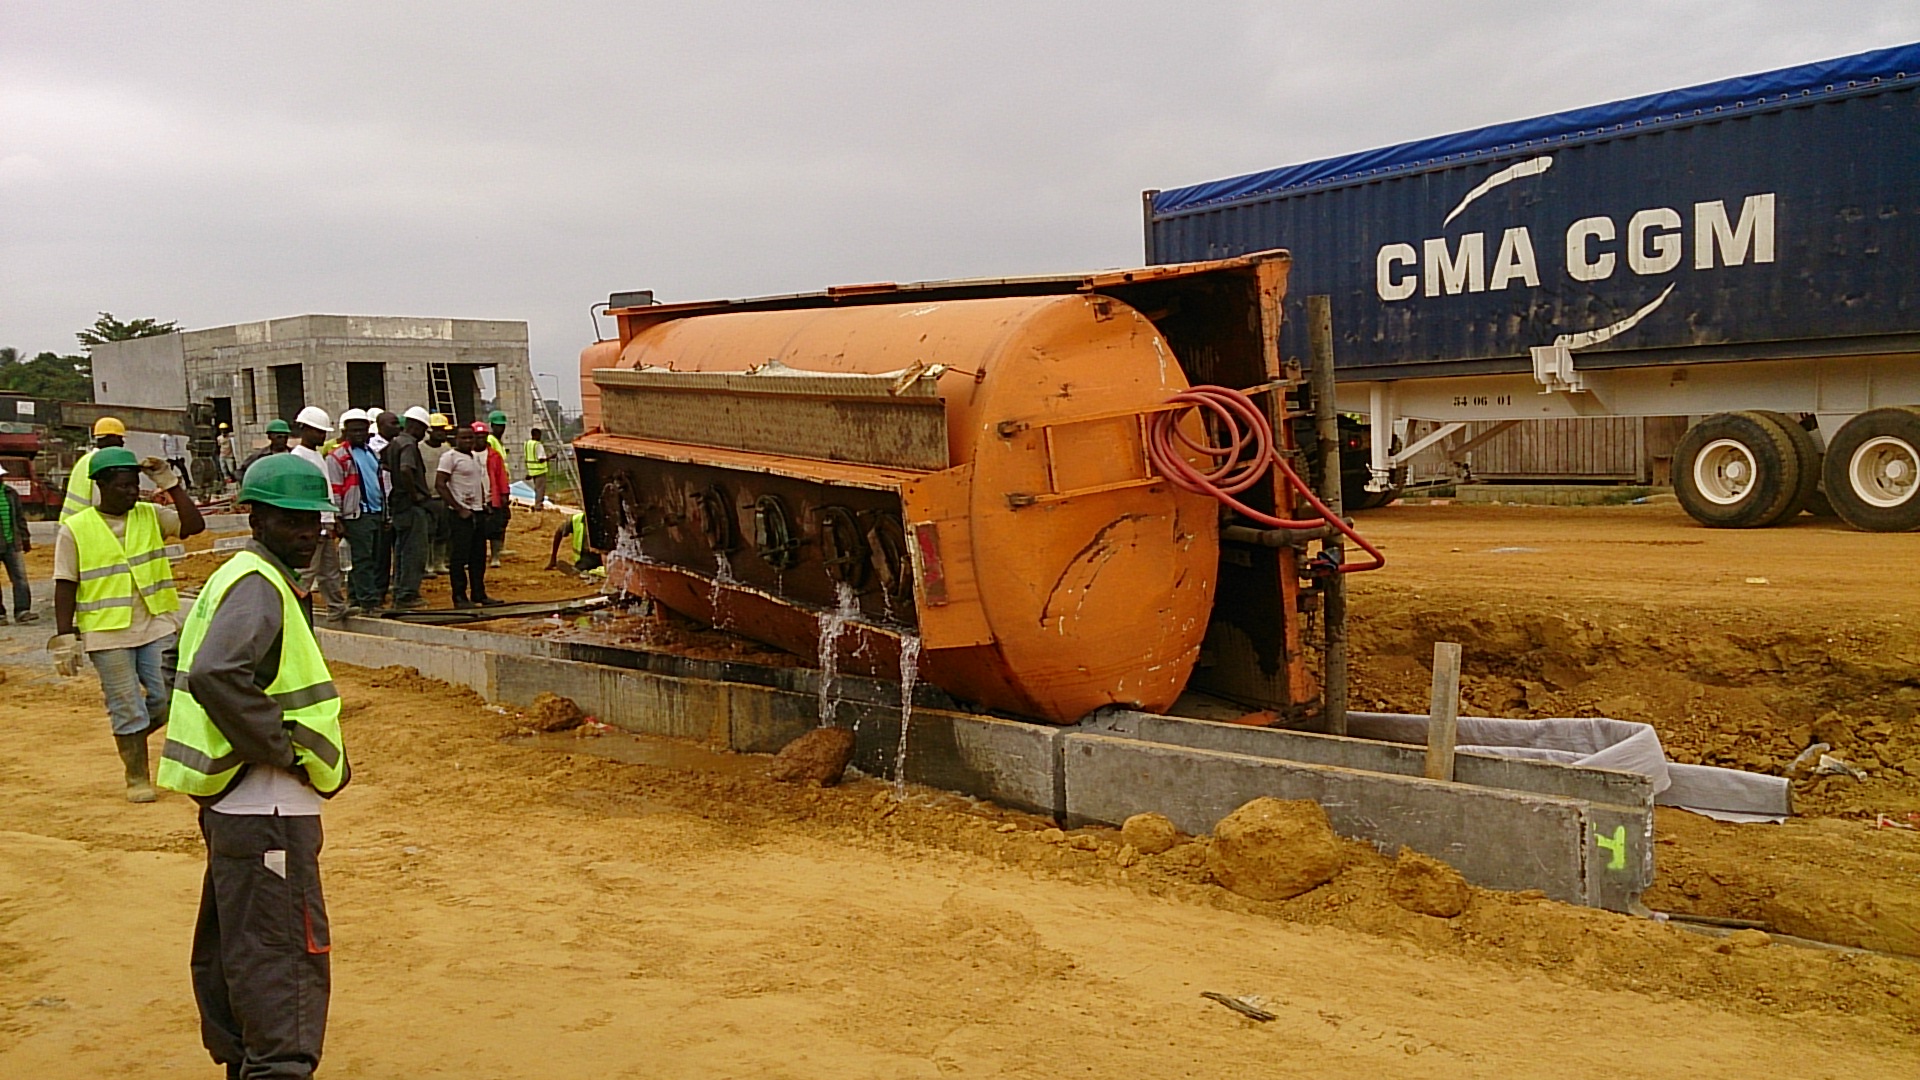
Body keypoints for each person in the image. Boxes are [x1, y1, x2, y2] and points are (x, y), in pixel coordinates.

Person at [157, 453, 349, 1080]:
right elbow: (215, 672)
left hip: (237, 806)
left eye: (313, 521)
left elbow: (180, 663)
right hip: (267, 807)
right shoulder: (260, 585)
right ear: (256, 518)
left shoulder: (239, 576)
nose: (306, 533)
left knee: (237, 949)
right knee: (281, 958)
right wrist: (281, 749)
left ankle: (247, 1061)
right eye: (291, 521)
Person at [49, 447, 206, 801]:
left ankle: (131, 734)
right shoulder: (75, 529)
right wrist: (65, 636)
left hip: (155, 623)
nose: (132, 492)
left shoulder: (150, 515)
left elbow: (194, 526)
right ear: (101, 486)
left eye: (135, 484)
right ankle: (136, 776)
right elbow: (65, 584)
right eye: (123, 486)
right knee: (126, 705)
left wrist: (170, 484)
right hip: (107, 633)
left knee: (167, 698)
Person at [324, 409, 390, 612]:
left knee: (373, 558)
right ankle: (369, 602)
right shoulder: (338, 457)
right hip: (356, 514)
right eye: (354, 431)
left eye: (362, 430)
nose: (359, 434)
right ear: (345, 432)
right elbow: (334, 489)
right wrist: (338, 517)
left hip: (375, 512)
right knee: (363, 560)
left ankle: (355, 598)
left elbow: (379, 483)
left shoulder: (372, 454)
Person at [291, 406, 353, 620]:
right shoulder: (298, 457)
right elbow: (301, 494)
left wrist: (333, 517)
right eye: (318, 431)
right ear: (304, 429)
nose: (322, 436)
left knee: (330, 571)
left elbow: (325, 489)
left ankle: (336, 607)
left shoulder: (317, 455)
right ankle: (293, 610)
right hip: (313, 522)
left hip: (325, 520)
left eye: (323, 432)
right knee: (307, 571)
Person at [436, 423, 501, 608]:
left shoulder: (473, 457)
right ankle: (459, 597)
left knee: (478, 556)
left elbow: (476, 482)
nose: (468, 441)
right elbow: (440, 484)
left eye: (470, 437)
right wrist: (458, 508)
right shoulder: (449, 457)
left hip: (477, 512)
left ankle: (479, 594)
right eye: (463, 438)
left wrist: (484, 503)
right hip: (460, 516)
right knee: (459, 557)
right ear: (455, 439)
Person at [382, 406, 434, 611]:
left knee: (402, 551)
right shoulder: (409, 444)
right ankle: (407, 595)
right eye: (423, 429)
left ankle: (400, 592)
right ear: (416, 426)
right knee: (414, 551)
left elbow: (386, 466)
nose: (423, 434)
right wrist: (415, 495)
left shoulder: (395, 443)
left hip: (399, 505)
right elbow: (405, 469)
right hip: (410, 506)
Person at [60, 415, 127, 520]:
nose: (122, 443)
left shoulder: (85, 459)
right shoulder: (102, 462)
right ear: (111, 438)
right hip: (86, 523)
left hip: (71, 521)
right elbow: (100, 499)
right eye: (120, 438)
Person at [0, 462, 36, 624]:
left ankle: (22, 611)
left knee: (20, 578)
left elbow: (19, 517)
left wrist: (25, 538)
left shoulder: (10, 494)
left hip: (12, 544)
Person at [419, 415, 454, 576]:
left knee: (443, 531)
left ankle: (439, 562)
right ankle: (428, 564)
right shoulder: (419, 449)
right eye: (438, 430)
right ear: (429, 431)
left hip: (443, 497)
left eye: (443, 430)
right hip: (427, 497)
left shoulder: (447, 449)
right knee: (427, 533)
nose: (441, 433)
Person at [486, 410, 513, 565]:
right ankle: (495, 551)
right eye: (497, 426)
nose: (500, 429)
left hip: (502, 483)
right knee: (496, 519)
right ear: (492, 425)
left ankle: (499, 548)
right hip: (495, 485)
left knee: (503, 517)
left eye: (502, 426)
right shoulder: (491, 440)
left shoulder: (498, 441)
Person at [546, 512, 602, 576]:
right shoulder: (577, 520)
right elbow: (559, 532)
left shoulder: (605, 520)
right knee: (586, 566)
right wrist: (553, 558)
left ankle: (581, 571)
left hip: (604, 555)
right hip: (587, 556)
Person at [523, 426, 549, 512]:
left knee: (537, 488)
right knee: (540, 489)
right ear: (536, 435)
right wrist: (550, 457)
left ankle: (537, 504)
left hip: (532, 470)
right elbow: (541, 459)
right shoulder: (538, 445)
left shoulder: (527, 444)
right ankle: (538, 506)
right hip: (539, 470)